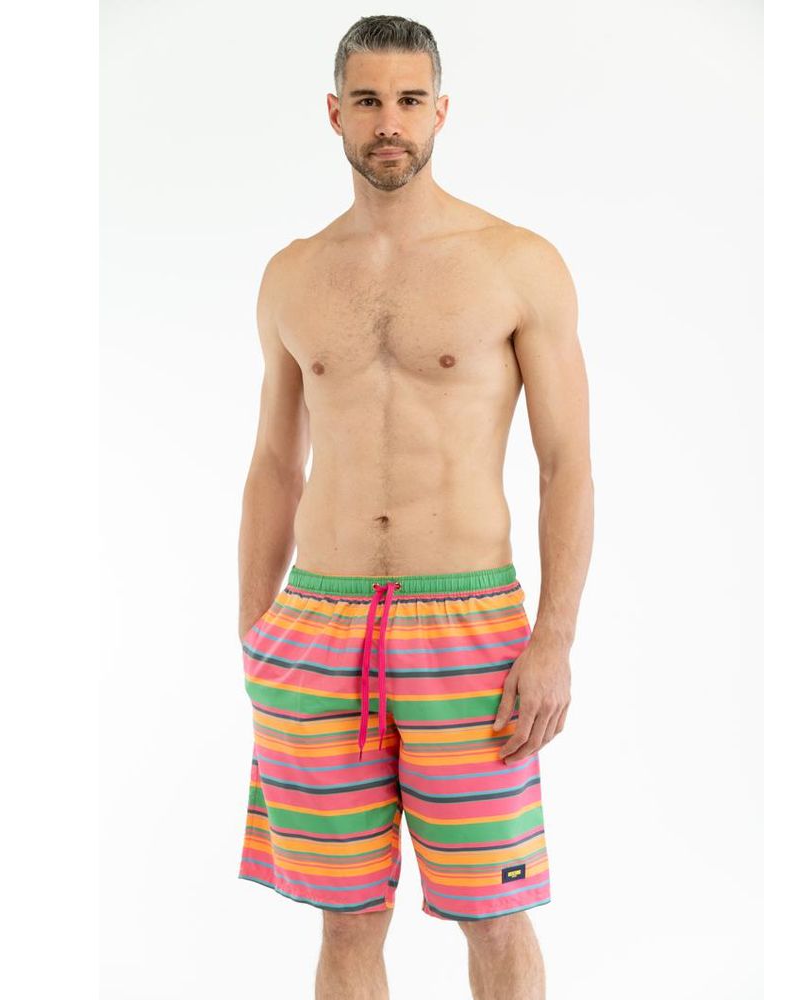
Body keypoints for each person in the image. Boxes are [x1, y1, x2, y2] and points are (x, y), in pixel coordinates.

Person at [236, 14, 593, 1000]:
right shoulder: (293, 274)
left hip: (469, 628)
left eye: (406, 100)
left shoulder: (516, 263)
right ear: (334, 114)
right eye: (367, 101)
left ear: (440, 111)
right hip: (317, 625)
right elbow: (274, 462)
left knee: (493, 910)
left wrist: (553, 639)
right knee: (347, 916)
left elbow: (567, 462)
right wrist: (254, 631)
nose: (387, 121)